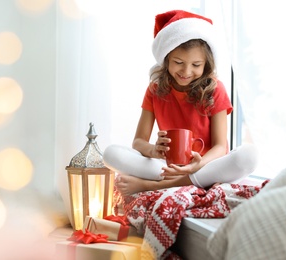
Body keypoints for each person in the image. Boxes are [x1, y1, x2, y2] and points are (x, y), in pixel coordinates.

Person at [103, 10, 258, 196]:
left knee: (248, 156)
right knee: (111, 154)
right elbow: (138, 142)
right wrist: (154, 150)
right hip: (168, 166)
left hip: (205, 166)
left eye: (196, 65)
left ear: (206, 65)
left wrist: (196, 165)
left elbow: (220, 147)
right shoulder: (155, 89)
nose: (186, 71)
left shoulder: (215, 89)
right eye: (178, 62)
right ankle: (185, 182)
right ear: (166, 58)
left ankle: (153, 185)